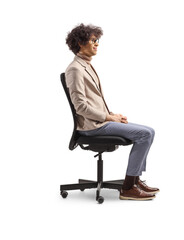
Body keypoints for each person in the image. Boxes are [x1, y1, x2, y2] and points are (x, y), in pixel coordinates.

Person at [65, 23, 159, 200]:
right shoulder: (75, 69)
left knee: (150, 131)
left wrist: (113, 116)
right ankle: (128, 187)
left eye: (97, 40)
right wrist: (109, 117)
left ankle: (136, 180)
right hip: (92, 126)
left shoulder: (85, 65)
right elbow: (80, 107)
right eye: (93, 40)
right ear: (80, 42)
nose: (97, 44)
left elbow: (92, 101)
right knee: (145, 134)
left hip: (101, 121)